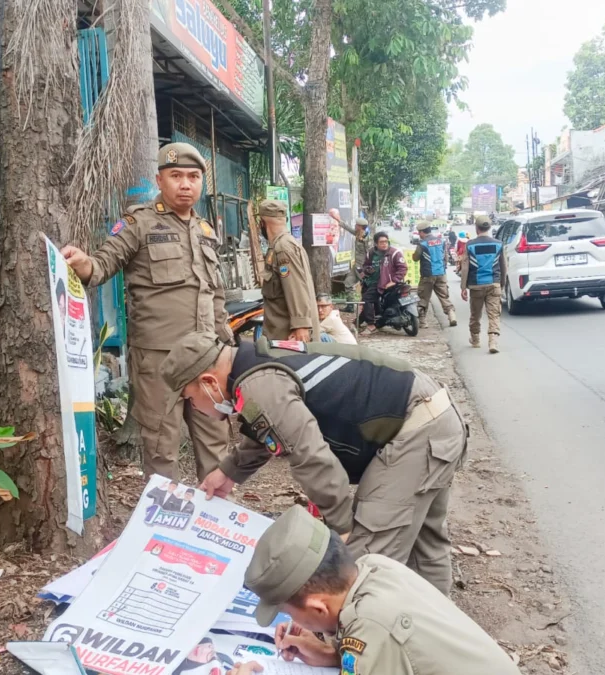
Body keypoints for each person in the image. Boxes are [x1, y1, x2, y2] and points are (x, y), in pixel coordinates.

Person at [159, 332, 466, 594]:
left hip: (415, 430)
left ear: (209, 382)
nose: (195, 408)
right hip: (433, 414)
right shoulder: (255, 365)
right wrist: (227, 473)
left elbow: (311, 457)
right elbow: (271, 430)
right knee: (426, 546)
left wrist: (342, 525)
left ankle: (363, 651)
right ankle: (437, 636)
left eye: (190, 398)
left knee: (365, 564)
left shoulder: (259, 387)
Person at [60, 143, 230, 482]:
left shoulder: (206, 231)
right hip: (158, 359)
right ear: (160, 180)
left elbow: (215, 294)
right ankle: (164, 525)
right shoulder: (139, 223)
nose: (185, 184)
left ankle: (215, 521)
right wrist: (82, 263)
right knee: (160, 446)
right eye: (176, 176)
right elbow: (101, 265)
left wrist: (225, 343)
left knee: (216, 442)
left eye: (194, 177)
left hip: (208, 357)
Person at [224, 506, 519, 675]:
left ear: (318, 607)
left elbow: (377, 639)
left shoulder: (372, 626)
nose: (295, 624)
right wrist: (332, 655)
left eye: (291, 614)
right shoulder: (372, 567)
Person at [258, 199, 318, 342]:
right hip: (280, 334)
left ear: (262, 222)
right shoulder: (283, 245)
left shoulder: (283, 248)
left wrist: (301, 326)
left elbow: (296, 287)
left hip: (289, 338)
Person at [459, 216, 504, 353]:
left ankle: (476, 339)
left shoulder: (470, 245)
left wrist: (463, 287)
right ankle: (493, 342)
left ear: (476, 228)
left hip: (476, 285)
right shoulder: (498, 244)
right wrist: (502, 284)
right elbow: (503, 266)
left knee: (475, 314)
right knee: (494, 314)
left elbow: (465, 267)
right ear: (489, 228)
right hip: (493, 283)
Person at [358, 232, 406, 336]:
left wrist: (394, 280)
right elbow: (365, 266)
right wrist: (367, 270)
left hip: (387, 284)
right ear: (376, 244)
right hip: (373, 282)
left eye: (386, 241)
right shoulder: (371, 253)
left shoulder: (394, 253)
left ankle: (371, 325)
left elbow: (402, 268)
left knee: (367, 299)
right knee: (369, 299)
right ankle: (359, 321)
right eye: (381, 242)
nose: (384, 244)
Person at [411, 222, 457, 328]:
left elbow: (415, 258)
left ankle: (423, 322)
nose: (419, 234)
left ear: (422, 232)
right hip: (441, 273)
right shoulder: (441, 241)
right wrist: (443, 267)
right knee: (444, 296)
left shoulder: (422, 244)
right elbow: (445, 256)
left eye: (419, 232)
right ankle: (451, 315)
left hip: (428, 274)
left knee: (423, 297)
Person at [340, 216, 372, 299]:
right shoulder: (358, 234)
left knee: (366, 284)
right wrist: (337, 220)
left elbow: (369, 253)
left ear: (360, 227)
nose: (355, 226)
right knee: (348, 282)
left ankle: (368, 304)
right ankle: (350, 305)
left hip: (362, 266)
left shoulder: (366, 238)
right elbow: (347, 228)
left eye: (356, 225)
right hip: (356, 265)